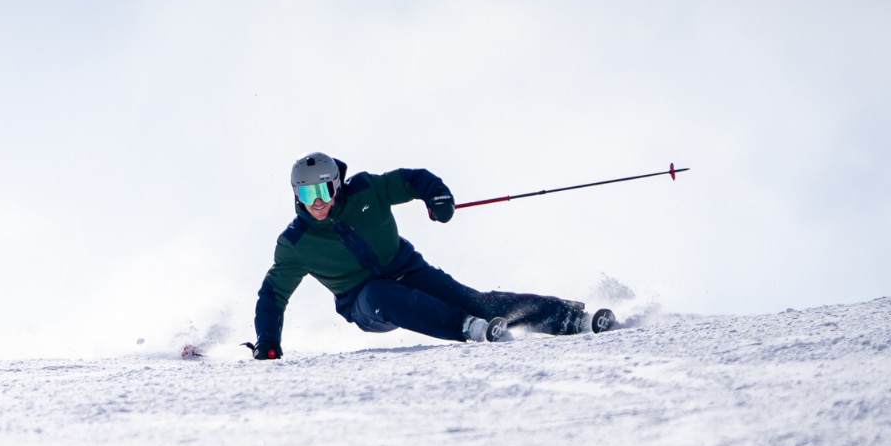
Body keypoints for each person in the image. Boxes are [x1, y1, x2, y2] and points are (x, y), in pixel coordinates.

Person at [242, 152, 617, 360]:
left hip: (408, 269)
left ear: (337, 185)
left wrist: (435, 195)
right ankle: (465, 328)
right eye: (307, 195)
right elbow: (273, 295)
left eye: (323, 190)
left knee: (477, 300)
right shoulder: (296, 242)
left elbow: (411, 178)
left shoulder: (366, 190)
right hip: (363, 302)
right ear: (296, 196)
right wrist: (268, 340)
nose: (318, 202)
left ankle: (572, 319)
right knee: (381, 294)